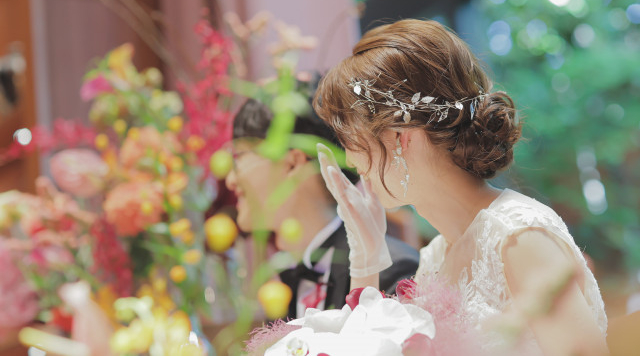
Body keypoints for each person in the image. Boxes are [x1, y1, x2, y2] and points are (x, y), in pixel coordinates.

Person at [312, 19, 609, 355]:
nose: (350, 160)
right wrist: (365, 263)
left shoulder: (518, 237)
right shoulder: (435, 257)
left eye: (351, 140)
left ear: (399, 137)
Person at [225, 77, 419, 319]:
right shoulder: (281, 283)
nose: (230, 179)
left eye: (239, 157)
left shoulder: (392, 271)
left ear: (292, 164)